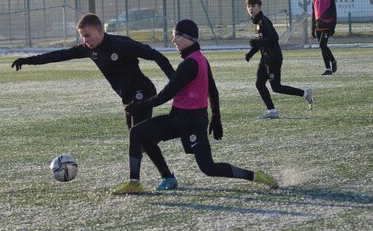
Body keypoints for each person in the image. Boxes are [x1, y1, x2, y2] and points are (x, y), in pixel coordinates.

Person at [113, 19, 278, 195]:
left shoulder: (191, 63)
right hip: (178, 119)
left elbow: (166, 94)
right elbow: (212, 90)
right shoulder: (199, 59)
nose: (174, 40)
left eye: (177, 35)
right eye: (173, 35)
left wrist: (139, 107)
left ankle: (255, 176)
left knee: (209, 168)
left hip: (192, 123)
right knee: (138, 133)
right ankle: (138, 182)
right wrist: (215, 115)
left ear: (189, 38)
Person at [11, 13, 175, 130]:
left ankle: (149, 176)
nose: (85, 40)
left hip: (142, 92)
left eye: (87, 35)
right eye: (82, 36)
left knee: (138, 138)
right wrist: (28, 60)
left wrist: (175, 82)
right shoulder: (88, 49)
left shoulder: (122, 44)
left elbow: (157, 56)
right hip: (127, 97)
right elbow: (59, 55)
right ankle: (151, 171)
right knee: (138, 139)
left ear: (100, 31)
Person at [245, 0, 313, 119]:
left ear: (260, 7)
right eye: (249, 6)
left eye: (253, 6)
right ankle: (272, 111)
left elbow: (274, 38)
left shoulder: (263, 21)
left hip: (274, 59)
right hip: (265, 59)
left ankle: (305, 93)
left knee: (276, 87)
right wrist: (251, 53)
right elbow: (261, 41)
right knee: (259, 84)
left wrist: (257, 44)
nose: (251, 9)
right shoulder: (256, 22)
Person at [311, 0, 337, 75]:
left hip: (327, 26)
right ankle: (328, 69)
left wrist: (333, 27)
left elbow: (334, 13)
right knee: (323, 47)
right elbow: (314, 14)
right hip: (318, 26)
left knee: (322, 45)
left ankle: (333, 61)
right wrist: (312, 28)